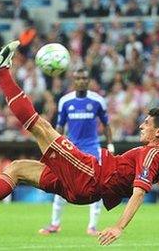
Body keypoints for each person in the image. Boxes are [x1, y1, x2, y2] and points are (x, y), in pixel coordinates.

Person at [0, 40, 159, 246]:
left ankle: (1, 73)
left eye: (146, 124)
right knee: (17, 169)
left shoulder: (151, 155)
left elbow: (138, 193)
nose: (140, 126)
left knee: (41, 127)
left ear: (158, 132)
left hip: (89, 174)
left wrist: (118, 227)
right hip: (85, 183)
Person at [38, 67, 114, 236]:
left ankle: (92, 226)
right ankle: (54, 224)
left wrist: (110, 146)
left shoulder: (98, 101)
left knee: (96, 187)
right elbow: (59, 126)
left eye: (84, 78)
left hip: (91, 149)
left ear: (88, 81)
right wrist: (55, 144)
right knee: (61, 183)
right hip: (71, 148)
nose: (81, 81)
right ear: (74, 80)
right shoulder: (65, 101)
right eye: (78, 78)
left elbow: (106, 124)